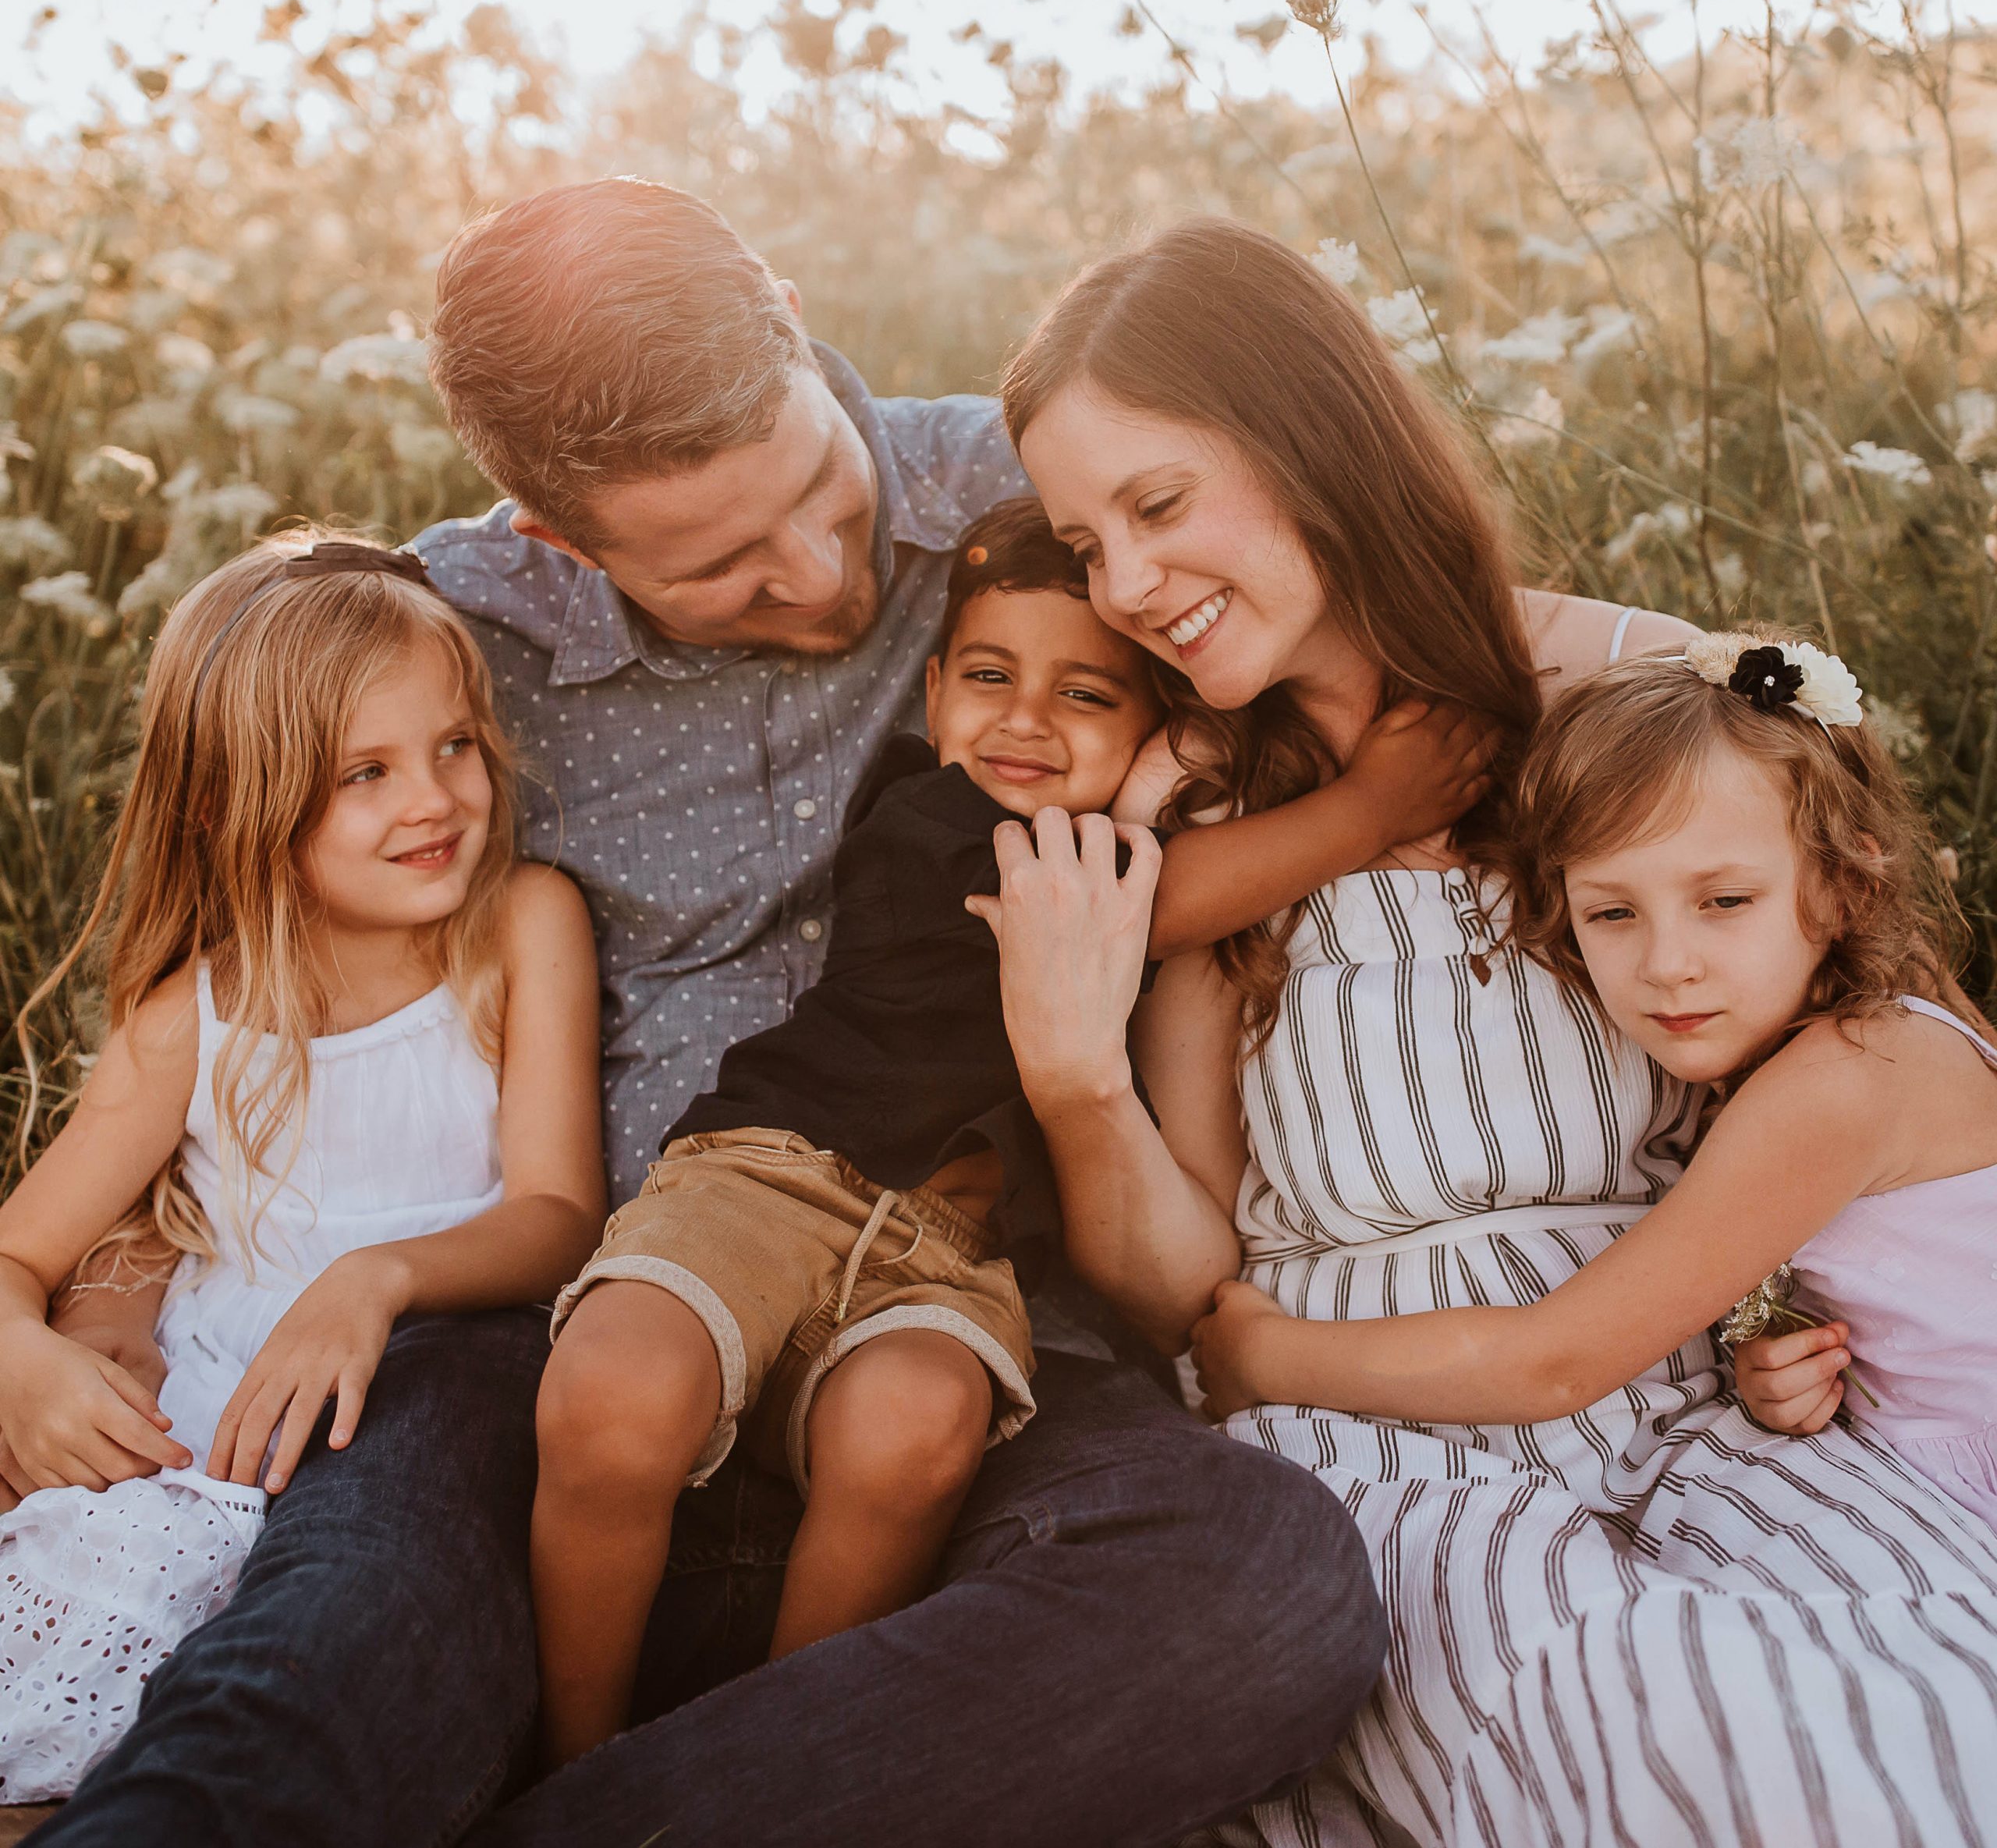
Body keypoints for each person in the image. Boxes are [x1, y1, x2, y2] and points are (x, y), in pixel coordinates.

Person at [17, 182, 1385, 1848]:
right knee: (333, 1651)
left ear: (798, 331)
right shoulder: (453, 646)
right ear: (557, 544)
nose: (814, 575)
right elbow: (241, 948)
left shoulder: (1042, 507)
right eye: (725, 566)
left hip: (957, 1307)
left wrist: (1727, 681)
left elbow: (1367, 617)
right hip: (548, 1331)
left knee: (1263, 1585)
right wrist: (102, 1279)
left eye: (819, 489)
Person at [986, 216, 1997, 1846]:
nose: (1125, 586)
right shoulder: (1193, 801)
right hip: (1375, 1423)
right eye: (1082, 540)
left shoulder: (1646, 696)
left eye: (1156, 505)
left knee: (1932, 1687)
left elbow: (1861, 1052)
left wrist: (1772, 1307)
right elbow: (1183, 1278)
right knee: (1677, 1731)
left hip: (1689, 1393)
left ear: (1305, 439)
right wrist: (1068, 1076)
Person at [533, 498, 1492, 1764]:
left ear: (1158, 728)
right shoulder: (931, 820)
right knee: (616, 1389)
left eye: (1087, 695)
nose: (1027, 718)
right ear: (934, 697)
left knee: (916, 1429)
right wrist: (1368, 807)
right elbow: (1139, 908)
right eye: (990, 676)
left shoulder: (1111, 834)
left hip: (950, 1254)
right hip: (773, 1176)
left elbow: (1146, 870)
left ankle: (751, 1762)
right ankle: (573, 1752)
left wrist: (1160, 780)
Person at [0, 534, 605, 1805]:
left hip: (423, 1402)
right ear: (238, 800)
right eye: (364, 773)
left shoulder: (521, 926)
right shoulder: (196, 1013)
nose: (435, 798)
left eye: (453, 744)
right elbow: (22, 1246)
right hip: (201, 1428)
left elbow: (556, 1211)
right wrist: (24, 1353)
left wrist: (374, 1277)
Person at [1191, 630, 1997, 1536]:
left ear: (1847, 885)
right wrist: (1769, 1363)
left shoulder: (1849, 1077)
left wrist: (1263, 1359)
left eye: (1724, 901)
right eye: (1612, 912)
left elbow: (1553, 1366)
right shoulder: (1795, 1055)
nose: (1667, 964)